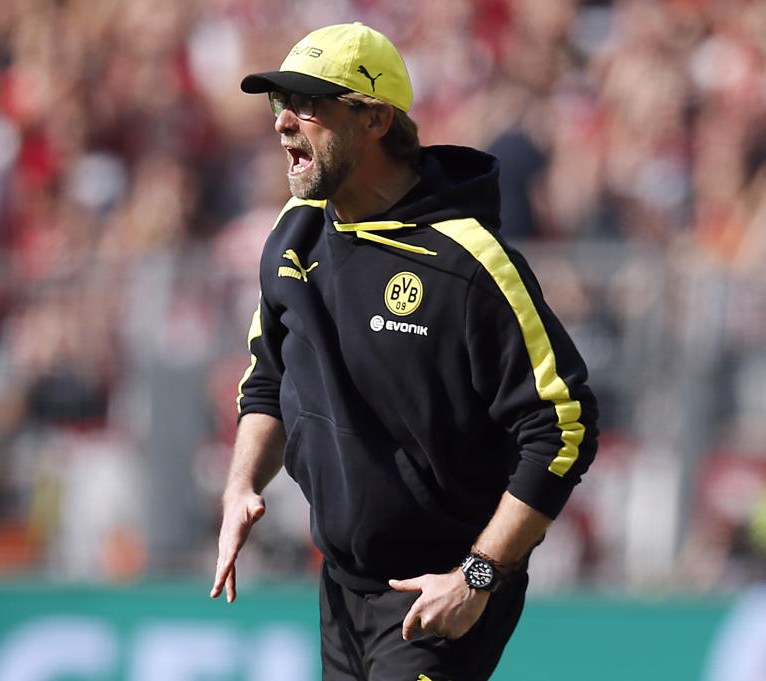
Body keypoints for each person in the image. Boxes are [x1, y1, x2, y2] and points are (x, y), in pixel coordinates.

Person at [210, 22, 598, 681]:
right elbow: (268, 379)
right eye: (280, 105)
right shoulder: (295, 233)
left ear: (375, 120)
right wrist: (242, 484)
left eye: (309, 106)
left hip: (441, 588)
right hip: (341, 588)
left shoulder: (469, 262)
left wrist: (477, 575)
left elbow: (564, 426)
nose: (283, 124)